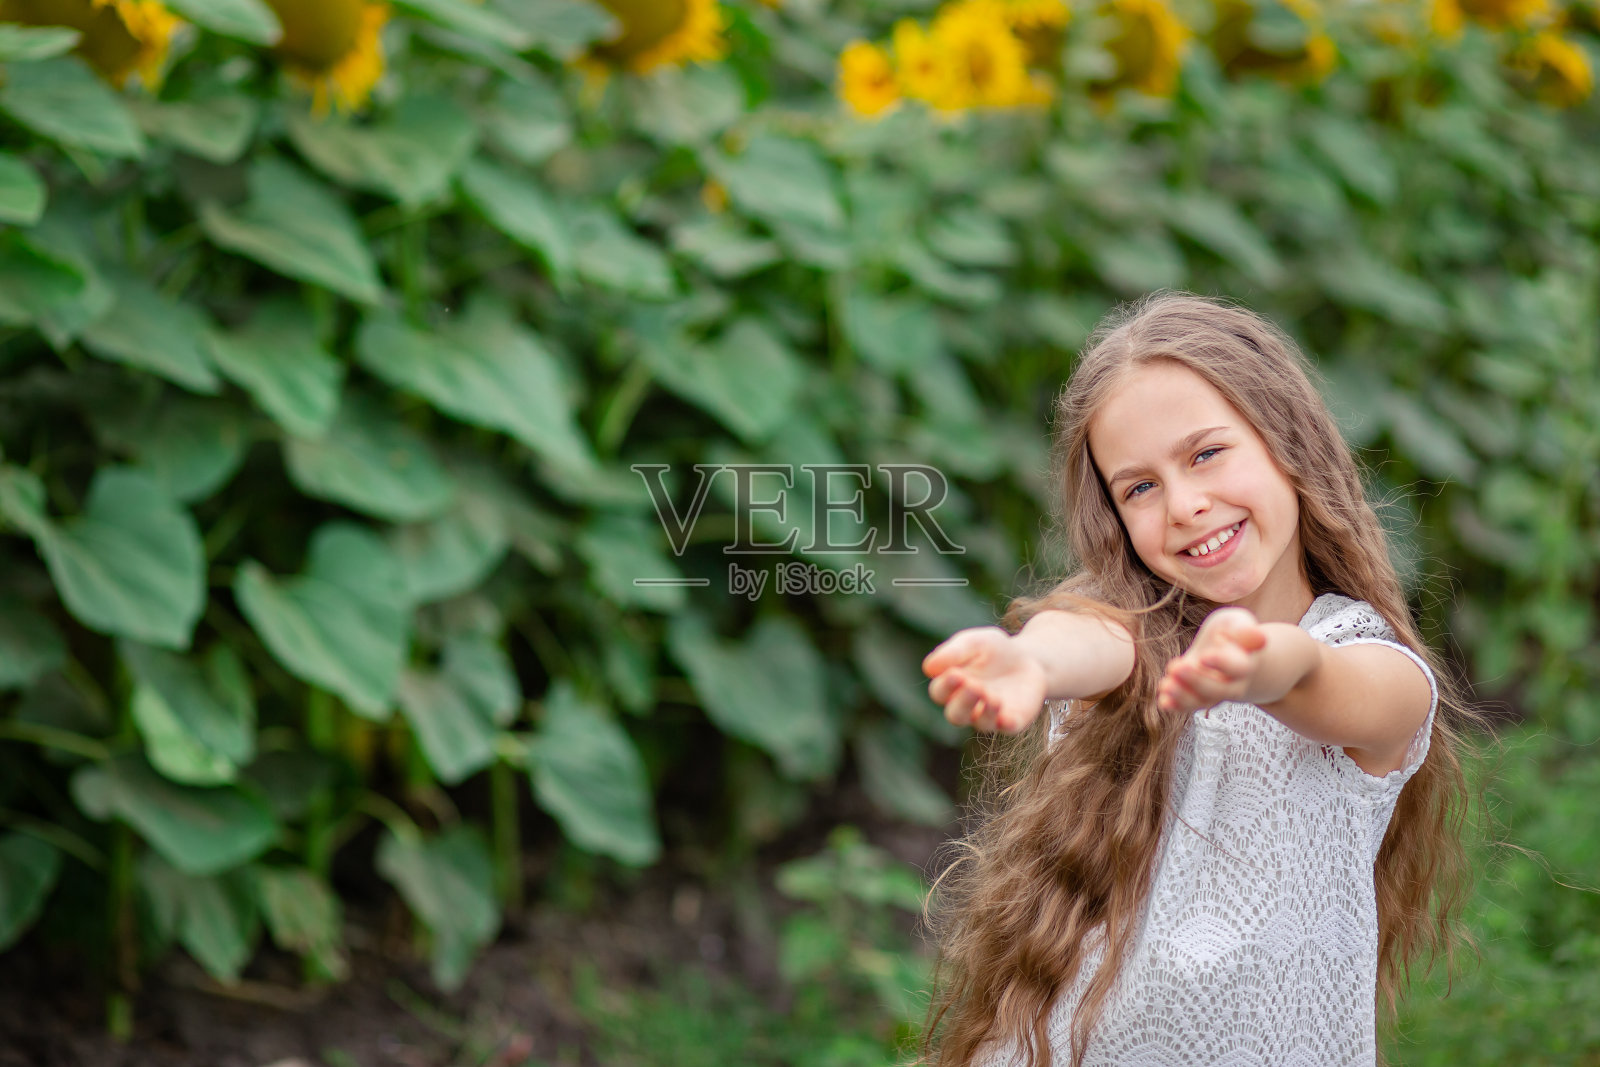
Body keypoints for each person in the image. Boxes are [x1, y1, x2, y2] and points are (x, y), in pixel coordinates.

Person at [917, 291, 1477, 1067]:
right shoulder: (1136, 634)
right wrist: (1033, 661)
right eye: (1139, 487)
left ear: (1288, 443)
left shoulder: (1364, 657)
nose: (1184, 504)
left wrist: (1265, 666)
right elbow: (1091, 635)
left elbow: (1337, 687)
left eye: (1206, 453)